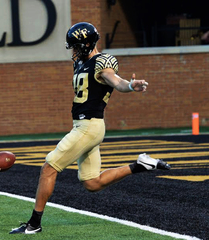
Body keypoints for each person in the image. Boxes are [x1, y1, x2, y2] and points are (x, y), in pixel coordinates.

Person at [9, 22, 171, 234]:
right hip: (85, 126)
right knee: (92, 183)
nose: (74, 51)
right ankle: (141, 165)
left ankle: (34, 224)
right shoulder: (81, 63)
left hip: (88, 126)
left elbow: (116, 81)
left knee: (49, 167)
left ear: (86, 44)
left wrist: (130, 86)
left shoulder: (101, 62)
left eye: (76, 46)